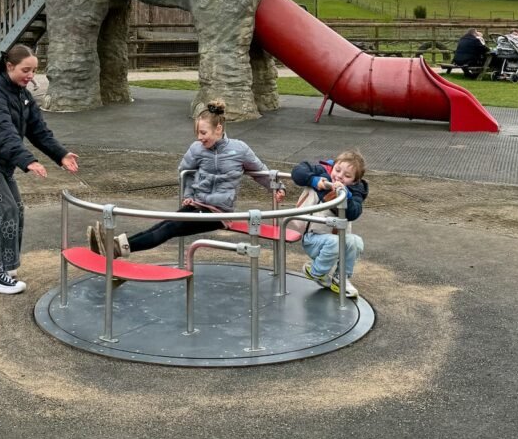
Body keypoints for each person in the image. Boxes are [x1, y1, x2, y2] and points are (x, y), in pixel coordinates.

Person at [87, 99, 284, 257]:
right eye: (197, 132)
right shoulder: (197, 148)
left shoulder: (239, 149)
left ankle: (117, 248)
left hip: (219, 213)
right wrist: (188, 194)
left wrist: (277, 187)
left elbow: (260, 171)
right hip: (197, 204)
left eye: (203, 132)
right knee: (165, 223)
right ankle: (115, 246)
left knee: (170, 227)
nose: (199, 137)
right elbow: (185, 171)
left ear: (219, 129)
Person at [0, 44, 79, 295]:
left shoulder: (22, 94)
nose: (30, 75)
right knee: (4, 210)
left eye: (34, 70)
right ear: (9, 66)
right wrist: (27, 160)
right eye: (25, 70)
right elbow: (2, 132)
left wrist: (60, 154)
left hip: (2, 162)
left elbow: (38, 130)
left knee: (15, 209)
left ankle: (6, 263)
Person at [289, 150, 368, 298]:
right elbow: (297, 172)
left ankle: (341, 278)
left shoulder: (355, 191)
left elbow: (354, 212)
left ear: (355, 181)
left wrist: (345, 197)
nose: (339, 176)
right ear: (333, 166)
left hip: (336, 239)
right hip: (313, 237)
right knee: (335, 242)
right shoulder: (323, 173)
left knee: (356, 242)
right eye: (338, 170)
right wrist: (313, 180)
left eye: (347, 176)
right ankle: (315, 271)